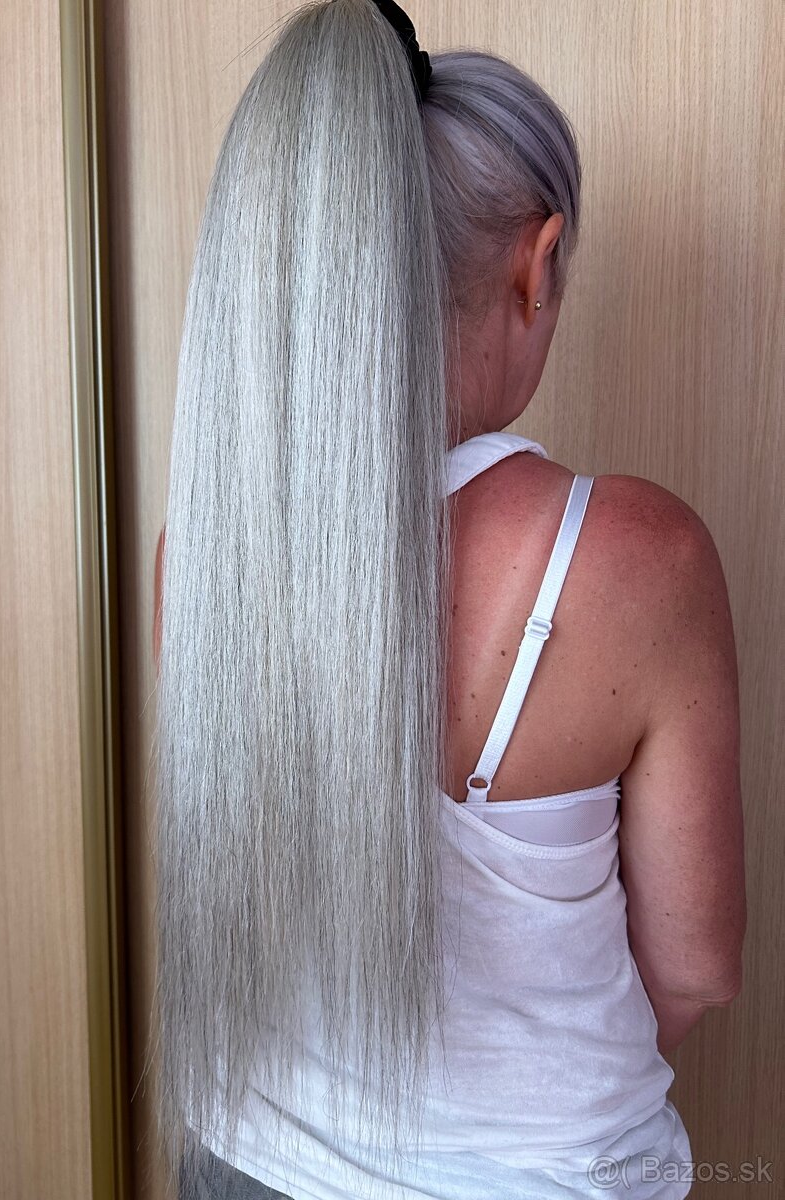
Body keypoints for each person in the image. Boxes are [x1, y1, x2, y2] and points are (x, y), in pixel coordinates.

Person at [151, 2, 745, 1197]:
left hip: (240, 1165)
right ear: (537, 263)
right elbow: (694, 970)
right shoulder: (636, 560)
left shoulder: (201, 557)